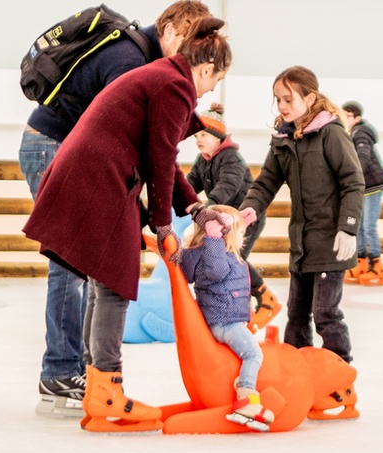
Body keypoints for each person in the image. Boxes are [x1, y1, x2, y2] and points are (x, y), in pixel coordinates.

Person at [23, 18, 232, 431]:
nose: (211, 90)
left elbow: (165, 159)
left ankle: (95, 385)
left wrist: (193, 209)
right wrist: (162, 225)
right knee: (115, 281)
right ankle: (107, 389)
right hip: (98, 175)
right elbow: (159, 158)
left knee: (105, 281)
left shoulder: (162, 75)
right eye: (217, 79)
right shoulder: (175, 85)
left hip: (90, 171)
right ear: (206, 68)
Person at [240, 66, 364, 364]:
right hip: (302, 245)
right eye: (277, 100)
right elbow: (266, 182)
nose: (281, 106)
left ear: (309, 99)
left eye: (288, 99)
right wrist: (248, 209)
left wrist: (347, 227)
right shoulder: (284, 139)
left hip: (331, 243)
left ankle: (339, 374)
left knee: (325, 313)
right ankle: (297, 370)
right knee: (296, 314)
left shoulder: (330, 133)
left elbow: (353, 180)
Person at [186, 103, 282, 332]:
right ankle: (245, 308)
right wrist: (180, 200)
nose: (199, 139)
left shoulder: (231, 158)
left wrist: (208, 206)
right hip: (223, 221)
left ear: (218, 137)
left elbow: (227, 185)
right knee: (229, 260)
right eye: (196, 135)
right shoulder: (203, 160)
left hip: (245, 218)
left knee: (234, 260)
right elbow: (190, 184)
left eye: (204, 135)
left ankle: (266, 298)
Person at [179, 205, 275, 431]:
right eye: (240, 232)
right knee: (253, 354)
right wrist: (214, 239)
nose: (243, 237)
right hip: (224, 321)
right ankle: (246, 397)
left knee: (250, 352)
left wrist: (240, 221)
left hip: (227, 317)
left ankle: (241, 387)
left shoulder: (216, 251)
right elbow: (216, 272)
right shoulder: (212, 253)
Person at [341, 101, 383, 286]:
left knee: (369, 226)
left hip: (373, 185)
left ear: (357, 118)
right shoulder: (351, 133)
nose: (344, 119)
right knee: (359, 226)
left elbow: (363, 157)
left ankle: (377, 266)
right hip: (363, 186)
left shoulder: (361, 132)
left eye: (348, 116)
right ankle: (360, 263)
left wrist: (353, 178)